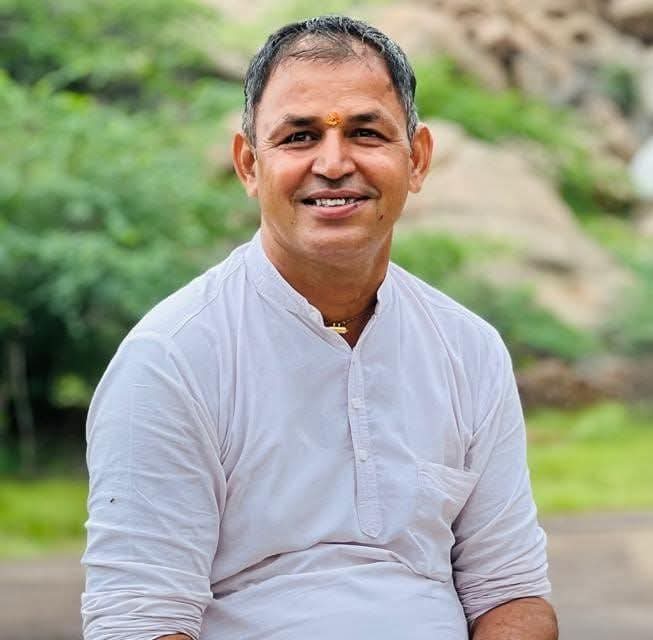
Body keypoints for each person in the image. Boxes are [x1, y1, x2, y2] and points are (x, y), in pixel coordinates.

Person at [82, 15, 558, 640]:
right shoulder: (172, 358)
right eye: (300, 136)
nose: (333, 164)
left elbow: (510, 593)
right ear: (249, 164)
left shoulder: (468, 350)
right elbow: (140, 620)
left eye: (366, 133)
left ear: (416, 160)